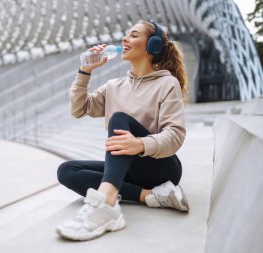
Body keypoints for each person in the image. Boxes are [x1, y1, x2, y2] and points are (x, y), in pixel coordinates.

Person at [55, 20, 190, 241]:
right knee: (67, 171)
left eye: (134, 35)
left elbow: (175, 135)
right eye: (126, 35)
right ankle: (149, 196)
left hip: (161, 167)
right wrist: (84, 71)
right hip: (130, 170)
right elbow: (79, 109)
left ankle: (107, 204)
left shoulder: (167, 84)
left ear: (152, 46)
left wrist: (140, 144)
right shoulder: (113, 86)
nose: (125, 39)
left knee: (118, 118)